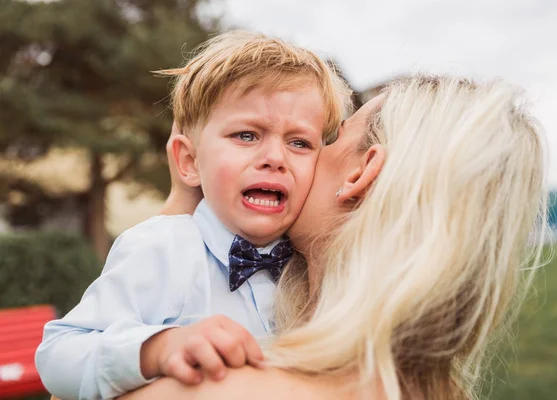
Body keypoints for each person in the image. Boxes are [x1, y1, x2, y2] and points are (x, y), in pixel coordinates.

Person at [121, 76, 551, 400]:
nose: (283, 160)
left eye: (328, 139)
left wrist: (183, 198)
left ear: (359, 173)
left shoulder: (224, 387)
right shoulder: (441, 389)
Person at [35, 30, 350, 400]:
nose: (276, 158)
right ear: (189, 161)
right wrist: (160, 348)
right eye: (247, 135)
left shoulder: (316, 266)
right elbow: (58, 354)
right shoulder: (162, 247)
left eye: (299, 142)